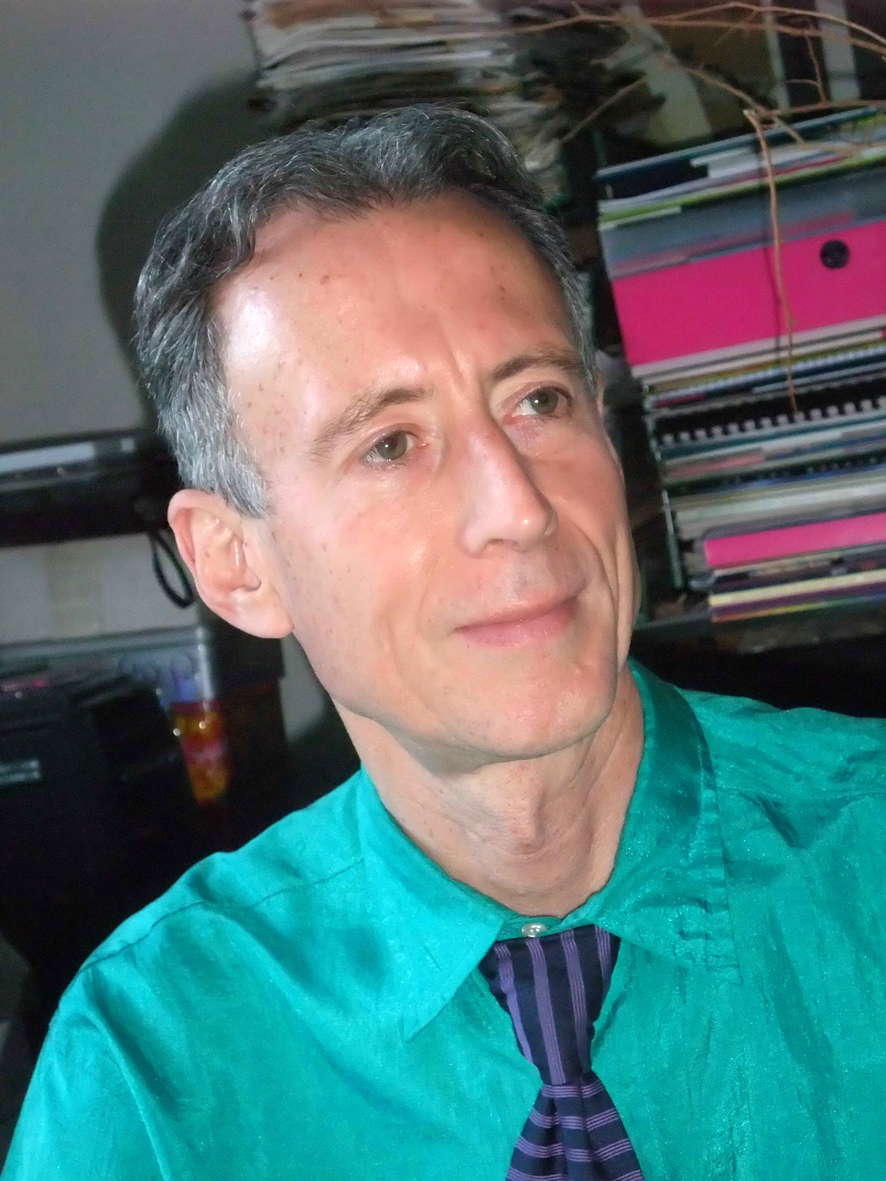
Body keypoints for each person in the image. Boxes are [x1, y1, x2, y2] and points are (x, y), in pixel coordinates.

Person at [3, 106, 883, 1181]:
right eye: (390, 444)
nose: (517, 506)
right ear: (235, 563)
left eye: (538, 400)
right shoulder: (151, 1059)